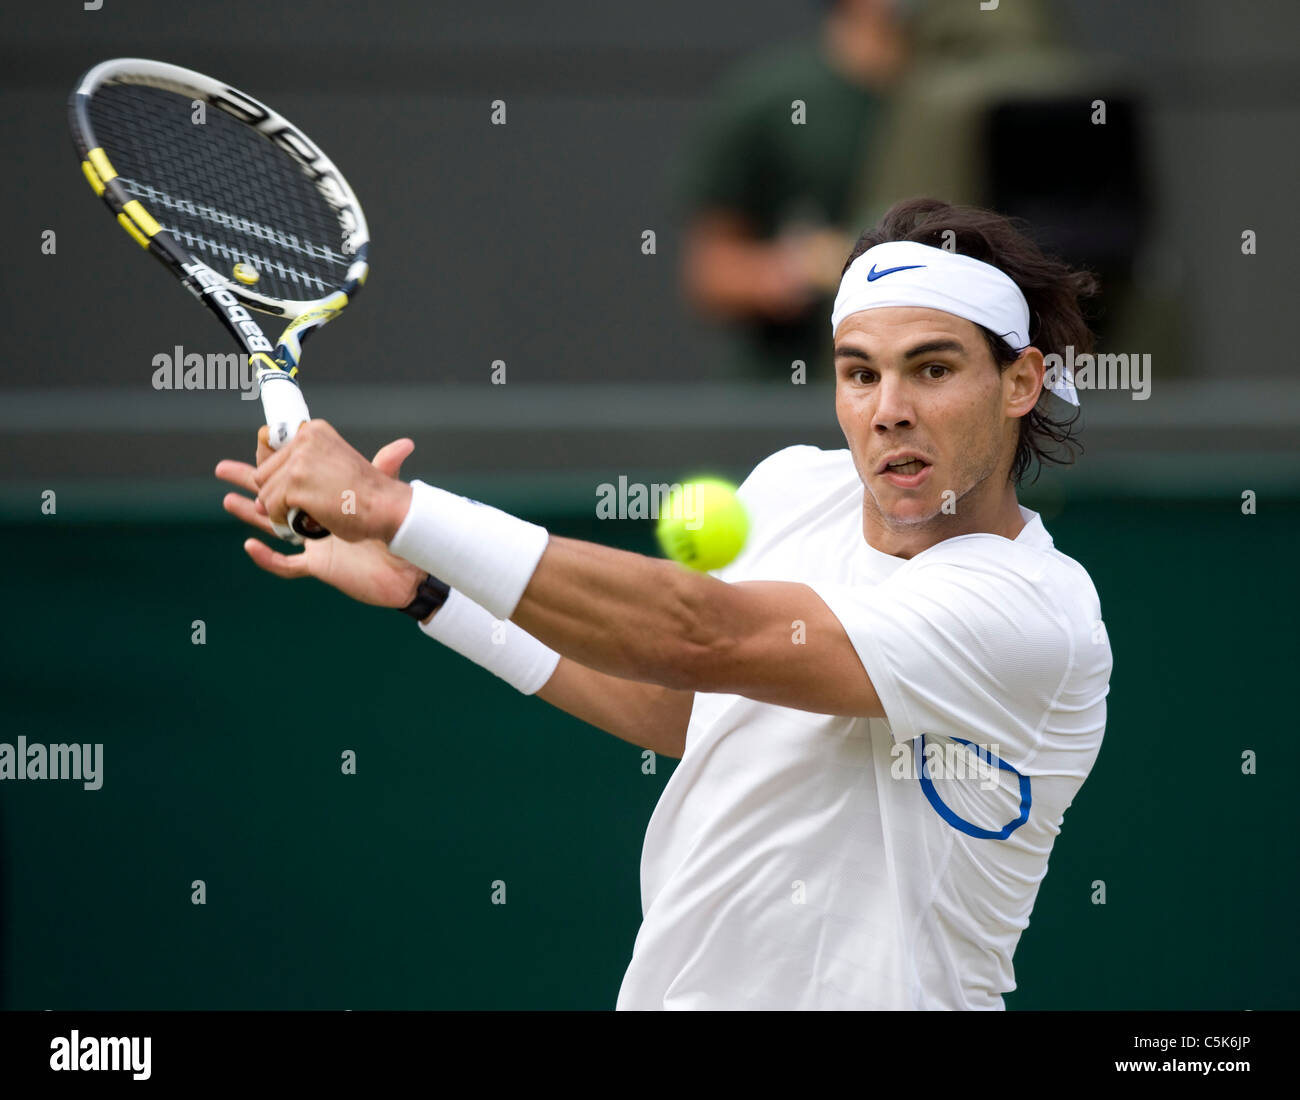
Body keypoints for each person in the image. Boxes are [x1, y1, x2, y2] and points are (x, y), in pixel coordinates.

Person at [215, 197, 1112, 1010]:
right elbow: (677, 708)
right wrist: (427, 584)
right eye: (859, 373)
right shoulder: (795, 489)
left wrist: (399, 509)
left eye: (932, 370)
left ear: (1021, 383)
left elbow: (703, 637)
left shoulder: (1031, 614)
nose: (888, 410)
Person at [675, 0, 908, 381]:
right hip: (790, 386)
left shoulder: (969, 95)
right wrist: (797, 268)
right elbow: (709, 272)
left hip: (923, 393)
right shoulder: (770, 97)